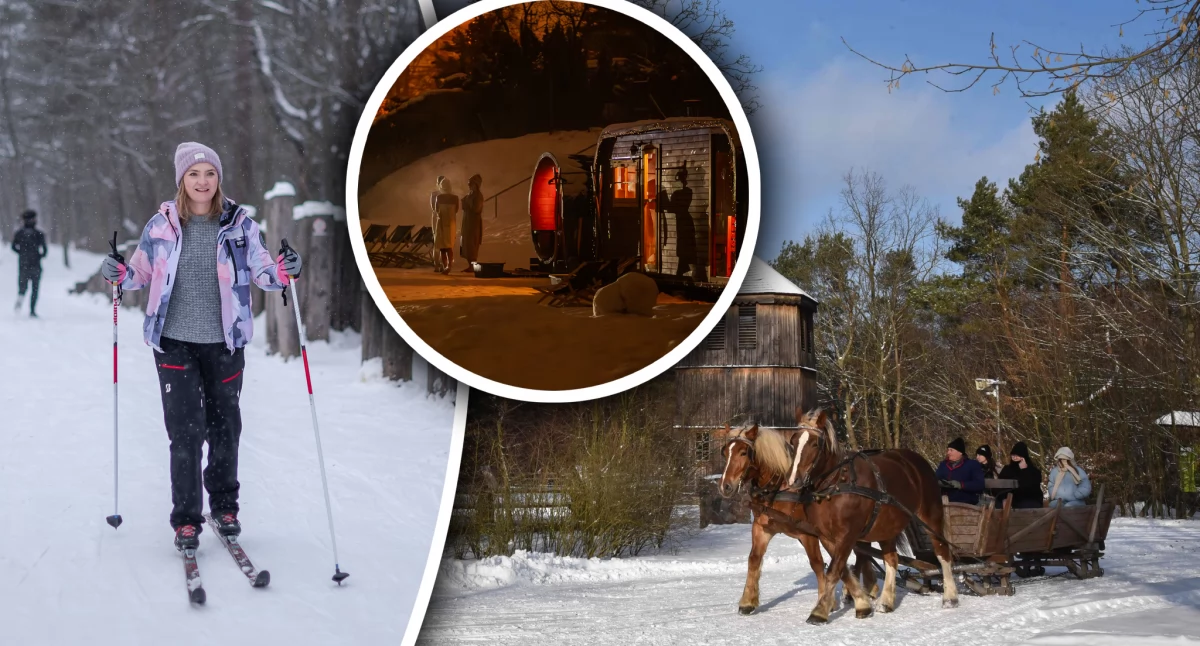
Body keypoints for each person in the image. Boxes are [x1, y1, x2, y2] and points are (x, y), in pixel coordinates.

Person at [99, 142, 302, 551]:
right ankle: (186, 519)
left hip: (225, 343)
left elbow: (264, 270)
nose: (202, 181)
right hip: (173, 343)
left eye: (209, 173)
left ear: (218, 178)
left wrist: (283, 272)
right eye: (194, 174)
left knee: (225, 427)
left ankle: (225, 508)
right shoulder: (161, 226)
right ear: (182, 180)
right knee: (186, 433)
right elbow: (138, 272)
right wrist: (118, 273)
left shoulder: (241, 225)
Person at [11, 209, 47, 317]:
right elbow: (45, 250)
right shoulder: (39, 234)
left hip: (23, 264)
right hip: (35, 265)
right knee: (35, 288)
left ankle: (20, 298)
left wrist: (22, 253)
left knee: (23, 287)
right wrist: (39, 256)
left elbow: (13, 247)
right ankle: (32, 310)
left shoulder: (19, 233)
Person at [935, 437, 985, 505]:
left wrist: (961, 485)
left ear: (960, 452)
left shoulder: (972, 465)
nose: (948, 452)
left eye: (951, 450)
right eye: (948, 450)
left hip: (965, 503)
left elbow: (979, 484)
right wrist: (938, 482)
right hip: (944, 502)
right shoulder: (943, 465)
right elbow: (936, 477)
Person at [997, 441, 1044, 509]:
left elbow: (1032, 489)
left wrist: (1024, 470)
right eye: (1013, 455)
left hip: (1028, 501)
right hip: (1011, 500)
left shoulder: (1033, 471)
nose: (1015, 457)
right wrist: (1004, 498)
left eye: (1017, 455)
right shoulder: (1007, 469)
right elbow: (1000, 486)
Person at [431, 176, 458, 274]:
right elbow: (456, 210)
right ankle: (449, 265)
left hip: (441, 222)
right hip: (451, 223)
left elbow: (436, 210)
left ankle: (444, 265)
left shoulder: (439, 197)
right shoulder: (455, 198)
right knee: (449, 245)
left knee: (442, 246)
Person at [459, 174, 483, 271]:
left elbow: (476, 209)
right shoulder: (470, 195)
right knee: (466, 243)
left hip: (473, 223)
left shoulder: (478, 196)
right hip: (467, 222)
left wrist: (467, 202)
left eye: (471, 184)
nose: (469, 186)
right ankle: (470, 265)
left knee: (472, 244)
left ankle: (473, 265)